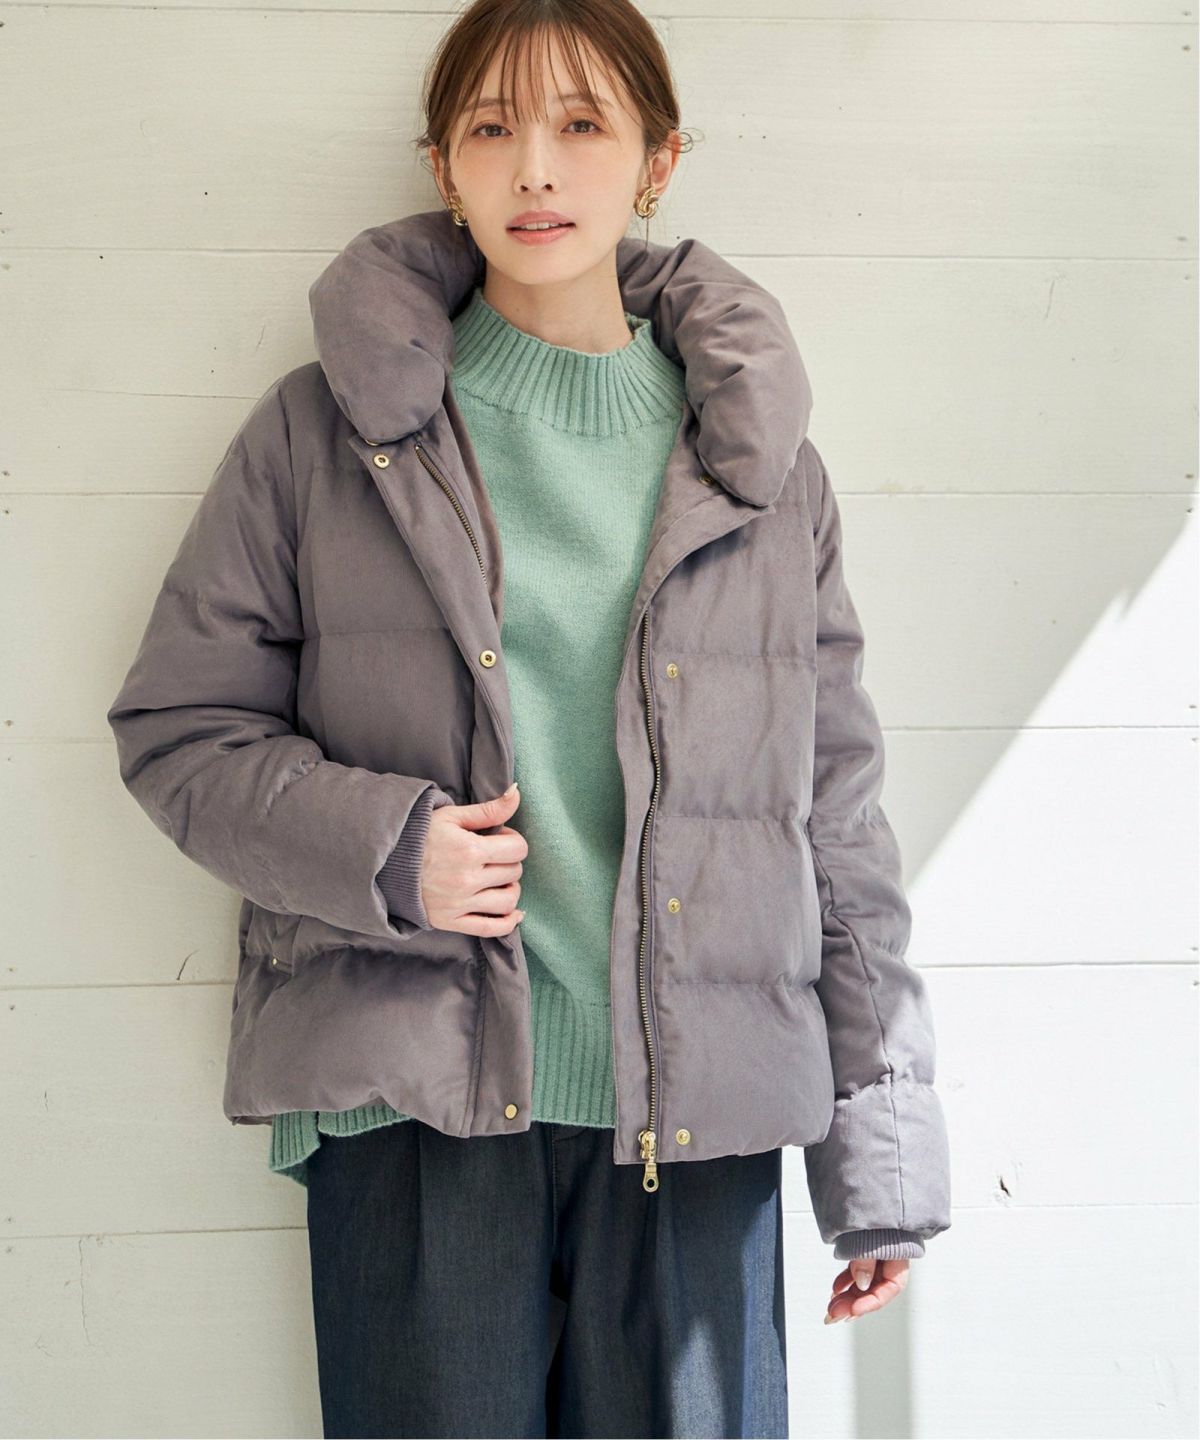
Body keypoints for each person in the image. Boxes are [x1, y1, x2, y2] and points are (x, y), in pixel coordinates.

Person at [107, 1, 952, 1435]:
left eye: (582, 124)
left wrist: (880, 1155)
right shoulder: (323, 434)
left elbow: (834, 819)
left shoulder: (761, 467)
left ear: (659, 159)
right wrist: (390, 850)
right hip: (416, 1113)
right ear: (443, 164)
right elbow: (180, 728)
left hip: (702, 1121)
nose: (536, 169)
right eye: (493, 127)